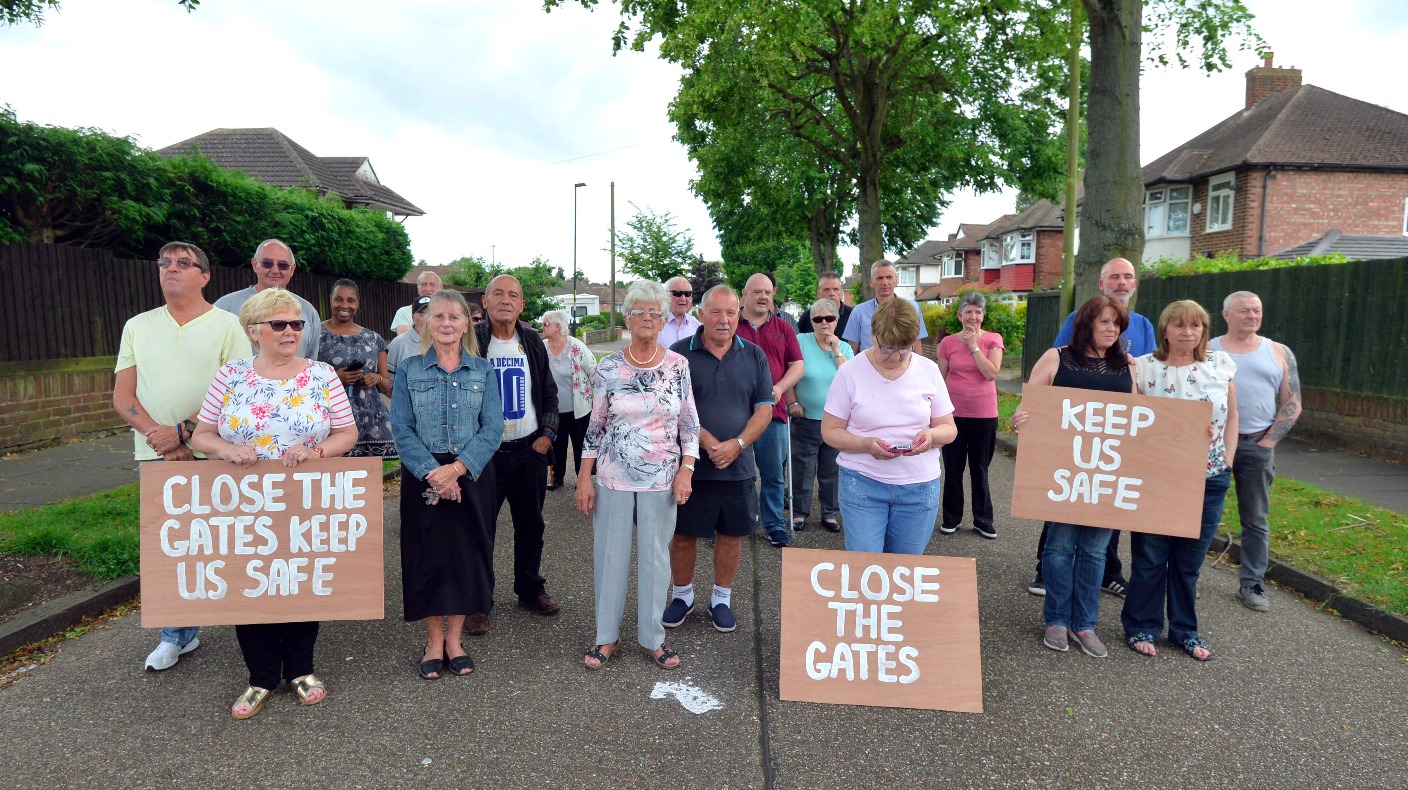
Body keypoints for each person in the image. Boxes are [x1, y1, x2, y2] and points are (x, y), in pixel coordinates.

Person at [189, 288, 357, 719]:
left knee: (301, 578)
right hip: (245, 501)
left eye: (296, 324)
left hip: (305, 498)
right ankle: (260, 677)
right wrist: (227, 450)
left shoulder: (322, 374)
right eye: (279, 324)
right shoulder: (231, 375)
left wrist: (316, 452)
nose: (290, 332)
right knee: (252, 584)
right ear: (253, 331)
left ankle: (301, 670)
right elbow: (202, 434)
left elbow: (347, 433)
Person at [112, 240, 248, 672]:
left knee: (227, 541)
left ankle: (252, 624)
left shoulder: (228, 325)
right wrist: (161, 439)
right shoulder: (137, 325)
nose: (172, 268)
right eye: (165, 262)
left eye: (184, 263)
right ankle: (176, 636)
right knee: (172, 548)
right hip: (156, 454)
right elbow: (123, 395)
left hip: (214, 451)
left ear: (204, 276)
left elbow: (236, 391)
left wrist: (184, 434)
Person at [575, 281, 700, 671]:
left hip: (662, 477)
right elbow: (595, 426)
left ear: (663, 320)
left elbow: (690, 425)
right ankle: (606, 636)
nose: (647, 318)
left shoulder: (678, 365)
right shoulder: (609, 367)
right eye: (638, 311)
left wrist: (687, 469)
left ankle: (653, 639)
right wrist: (584, 477)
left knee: (656, 560)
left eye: (654, 312)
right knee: (609, 558)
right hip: (612, 476)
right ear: (626, 318)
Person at [1011, 296, 1133, 658]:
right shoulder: (1056, 358)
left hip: (1106, 473)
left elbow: (1143, 418)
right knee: (1061, 546)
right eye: (1104, 322)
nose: (1111, 329)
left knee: (1095, 551)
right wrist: (1022, 417)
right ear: (1086, 324)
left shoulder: (1128, 366)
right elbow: (1030, 404)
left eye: (1117, 324)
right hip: (1063, 471)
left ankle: (1085, 624)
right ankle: (1056, 620)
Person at [390, 290, 503, 680]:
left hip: (470, 473)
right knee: (427, 558)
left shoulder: (483, 370)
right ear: (424, 321)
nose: (446, 324)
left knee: (464, 558)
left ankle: (455, 640)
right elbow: (401, 428)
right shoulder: (409, 370)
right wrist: (433, 473)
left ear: (466, 323)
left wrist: (456, 469)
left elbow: (493, 428)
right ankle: (433, 641)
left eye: (454, 316)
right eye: (437, 316)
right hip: (423, 474)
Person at [1031, 257, 1155, 597]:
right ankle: (1046, 569)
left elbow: (1147, 381)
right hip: (1071, 438)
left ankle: (1107, 573)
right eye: (1114, 276)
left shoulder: (1144, 326)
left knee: (1109, 506)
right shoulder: (1077, 318)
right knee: (1061, 505)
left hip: (1114, 441)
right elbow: (1058, 370)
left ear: (1134, 283)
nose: (1121, 282)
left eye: (1128, 276)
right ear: (1102, 283)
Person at [1121, 300, 1238, 662]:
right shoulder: (1143, 368)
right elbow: (1132, 419)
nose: (1188, 332)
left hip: (1209, 478)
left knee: (1189, 562)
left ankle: (1185, 630)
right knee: (1150, 557)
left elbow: (1233, 416)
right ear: (1165, 330)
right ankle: (1141, 625)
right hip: (1158, 478)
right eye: (1179, 325)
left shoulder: (1220, 364)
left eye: (1195, 325)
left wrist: (1228, 460)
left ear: (1204, 330)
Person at [666, 285, 773, 633]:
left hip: (737, 467)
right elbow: (674, 408)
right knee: (683, 534)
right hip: (690, 467)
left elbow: (764, 409)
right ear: (701, 314)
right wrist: (710, 442)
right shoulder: (679, 354)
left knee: (731, 534)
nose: (723, 320)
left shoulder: (754, 355)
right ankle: (682, 596)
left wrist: (737, 444)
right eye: (715, 312)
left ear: (738, 315)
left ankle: (721, 600)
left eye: (730, 312)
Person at [821, 298, 956, 554]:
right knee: (865, 568)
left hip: (919, 486)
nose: (895, 356)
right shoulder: (849, 372)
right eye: (887, 348)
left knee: (905, 570)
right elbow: (830, 431)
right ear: (873, 335)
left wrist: (931, 435)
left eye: (904, 349)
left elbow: (949, 428)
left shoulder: (929, 370)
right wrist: (865, 444)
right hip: (862, 481)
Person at [473, 275, 561, 633]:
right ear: (485, 301)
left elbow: (549, 393)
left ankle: (529, 589)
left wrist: (547, 436)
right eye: (498, 294)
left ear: (522, 305)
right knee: (481, 529)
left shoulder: (532, 343)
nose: (505, 300)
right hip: (485, 455)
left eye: (513, 295)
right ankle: (478, 601)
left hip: (528, 451)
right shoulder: (472, 342)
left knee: (531, 525)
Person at [1210, 291, 1301, 612]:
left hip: (1257, 444)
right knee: (1200, 513)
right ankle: (1184, 577)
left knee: (1255, 518)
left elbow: (1292, 401)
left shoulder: (1279, 352)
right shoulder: (1208, 350)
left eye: (1257, 310)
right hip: (1214, 444)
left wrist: (1268, 442)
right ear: (1226, 315)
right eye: (1244, 310)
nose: (1252, 315)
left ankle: (1252, 584)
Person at [735, 273, 804, 547]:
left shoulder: (784, 328)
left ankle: (774, 524)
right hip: (736, 415)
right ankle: (734, 522)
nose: (763, 297)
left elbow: (797, 365)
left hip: (772, 415)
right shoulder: (731, 324)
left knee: (773, 475)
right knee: (735, 474)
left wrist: (781, 388)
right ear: (745, 294)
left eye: (767, 292)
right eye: (757, 292)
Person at [936, 291, 1005, 539]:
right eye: (968, 312)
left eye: (977, 312)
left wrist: (974, 346)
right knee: (953, 468)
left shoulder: (993, 340)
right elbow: (940, 380)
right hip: (953, 415)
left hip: (984, 415)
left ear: (983, 316)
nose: (972, 317)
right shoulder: (947, 343)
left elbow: (991, 373)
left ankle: (982, 520)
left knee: (980, 468)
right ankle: (951, 518)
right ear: (959, 315)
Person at [786, 297, 853, 534]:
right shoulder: (800, 341)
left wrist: (835, 350)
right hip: (805, 418)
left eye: (829, 318)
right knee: (803, 469)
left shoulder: (844, 348)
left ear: (836, 321)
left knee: (831, 470)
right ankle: (800, 512)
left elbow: (850, 378)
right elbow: (788, 373)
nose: (824, 322)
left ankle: (829, 513)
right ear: (812, 321)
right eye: (818, 318)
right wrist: (792, 401)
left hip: (835, 422)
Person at [318, 279, 395, 457]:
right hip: (332, 421)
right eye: (338, 299)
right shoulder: (316, 336)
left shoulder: (373, 339)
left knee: (367, 473)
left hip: (370, 420)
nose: (344, 305)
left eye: (350, 300)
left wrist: (376, 378)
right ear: (330, 300)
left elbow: (386, 385)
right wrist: (336, 378)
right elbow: (302, 379)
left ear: (358, 303)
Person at [213, 238, 320, 360]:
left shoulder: (308, 311)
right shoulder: (225, 306)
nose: (275, 270)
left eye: (283, 265)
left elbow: (310, 360)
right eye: (267, 264)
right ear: (255, 265)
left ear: (292, 269)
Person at [540, 309, 597, 491]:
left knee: (580, 445)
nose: (542, 327)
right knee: (557, 445)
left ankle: (583, 478)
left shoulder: (576, 346)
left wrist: (599, 401)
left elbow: (593, 371)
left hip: (579, 409)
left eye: (545, 324)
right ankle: (556, 478)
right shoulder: (542, 347)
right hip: (554, 411)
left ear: (558, 327)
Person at [841, 260, 927, 354]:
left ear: (896, 280)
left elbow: (917, 347)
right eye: (880, 278)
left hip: (904, 362)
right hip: (870, 363)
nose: (885, 282)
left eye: (889, 277)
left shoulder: (912, 307)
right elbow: (852, 352)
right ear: (871, 282)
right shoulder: (859, 312)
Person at [796, 272, 854, 340]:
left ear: (841, 293)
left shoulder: (853, 315)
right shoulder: (807, 317)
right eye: (827, 290)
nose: (832, 293)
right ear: (818, 294)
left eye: (836, 289)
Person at [386, 295, 432, 379]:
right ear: (413, 318)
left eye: (431, 314)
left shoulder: (445, 343)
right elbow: (388, 381)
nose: (426, 319)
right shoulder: (398, 344)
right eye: (422, 314)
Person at [390, 269, 443, 336]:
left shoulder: (449, 311)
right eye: (423, 284)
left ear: (440, 288)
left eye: (432, 284)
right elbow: (406, 338)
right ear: (418, 287)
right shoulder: (404, 312)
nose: (428, 289)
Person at [658, 275, 702, 347]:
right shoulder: (655, 324)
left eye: (687, 294)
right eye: (678, 293)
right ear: (665, 295)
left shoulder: (696, 325)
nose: (683, 298)